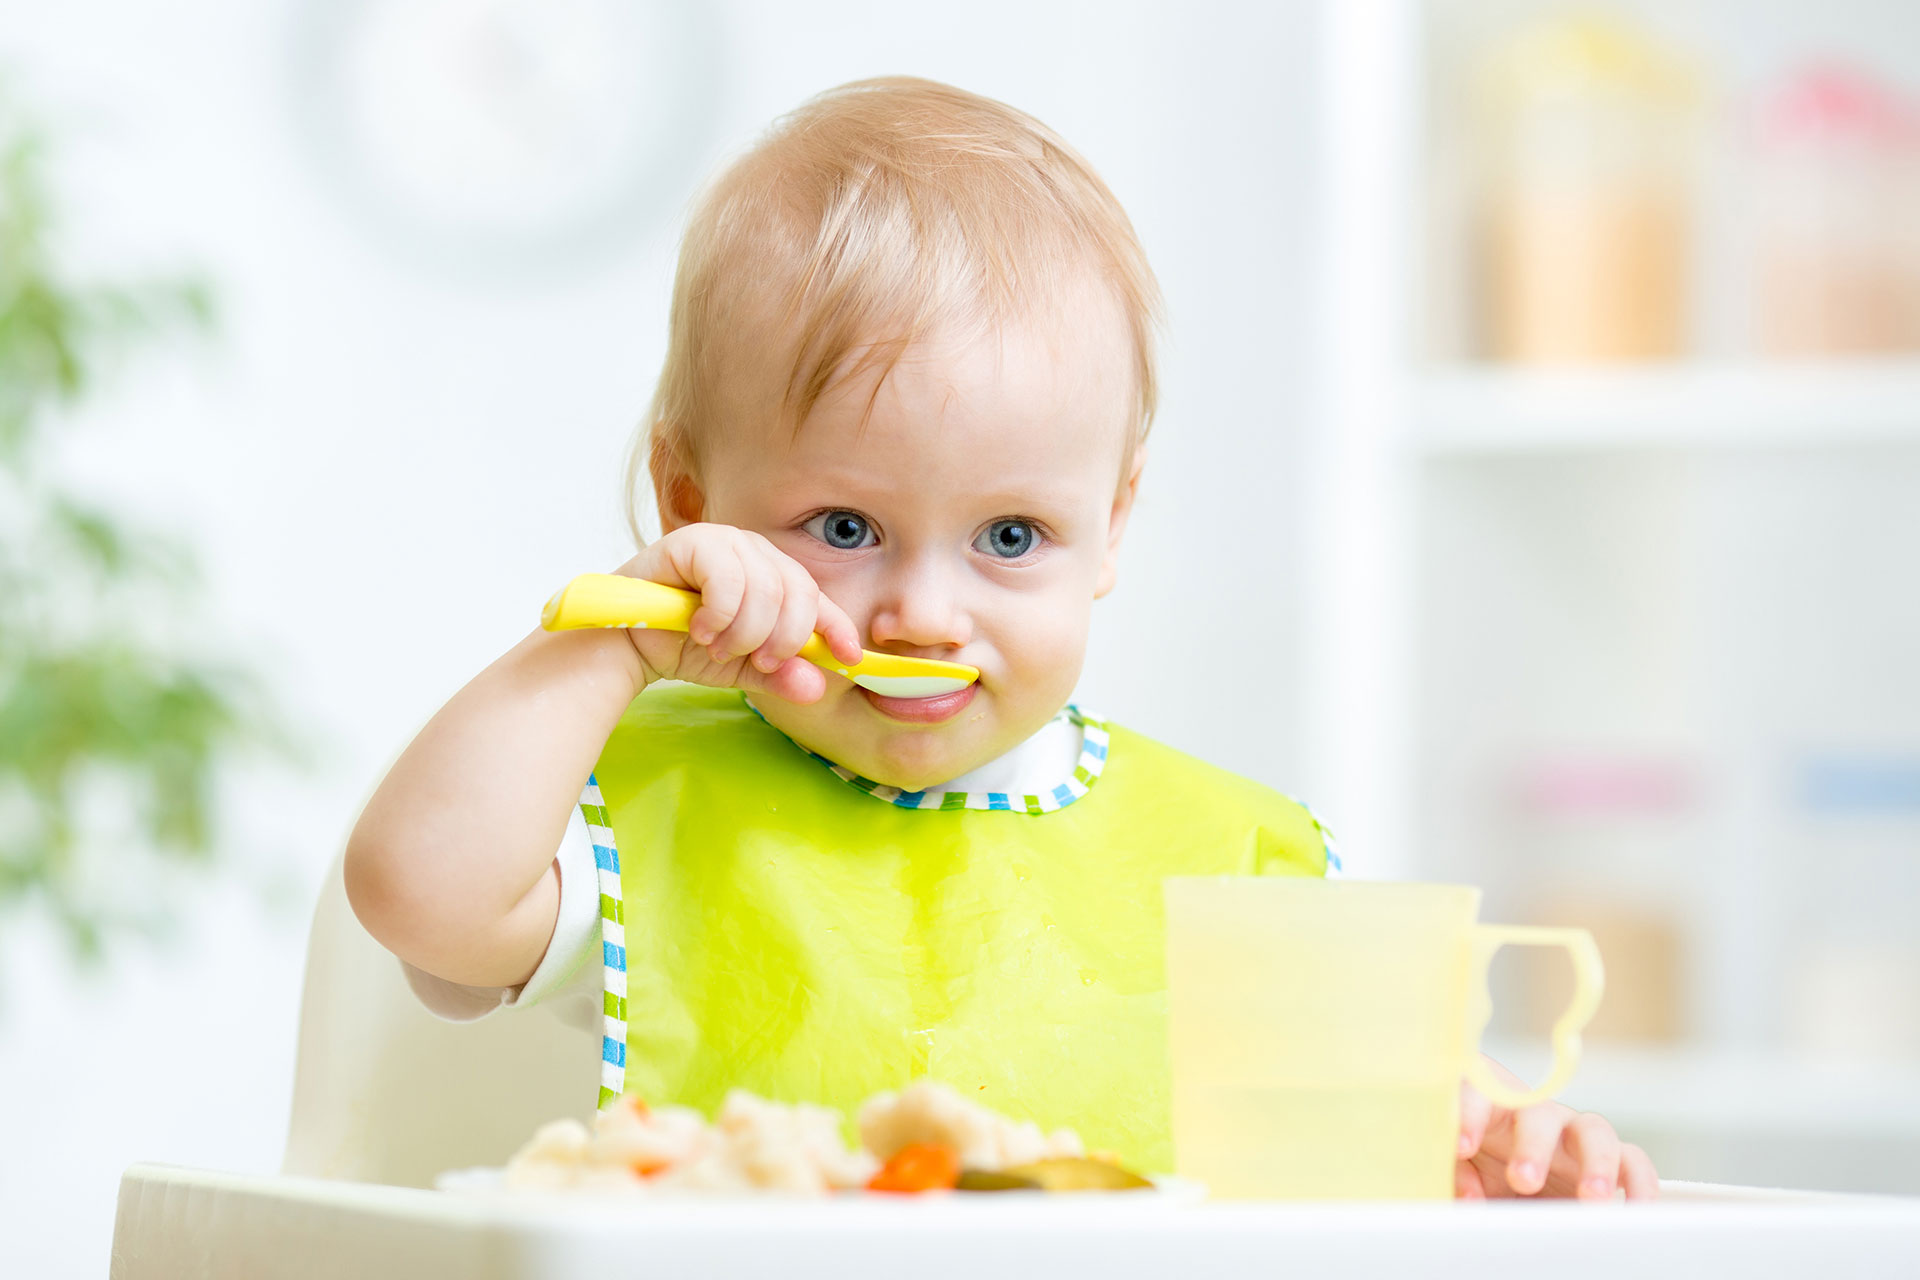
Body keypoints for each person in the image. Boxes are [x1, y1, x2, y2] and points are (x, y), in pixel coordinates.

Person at [344, 76, 1655, 1201]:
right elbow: (416, 891)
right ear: (694, 506)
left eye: (1011, 536)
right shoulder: (642, 804)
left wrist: (1493, 1158)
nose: (923, 610)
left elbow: (1379, 1161)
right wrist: (613, 641)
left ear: (1113, 526)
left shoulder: (1237, 865)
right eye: (843, 526)